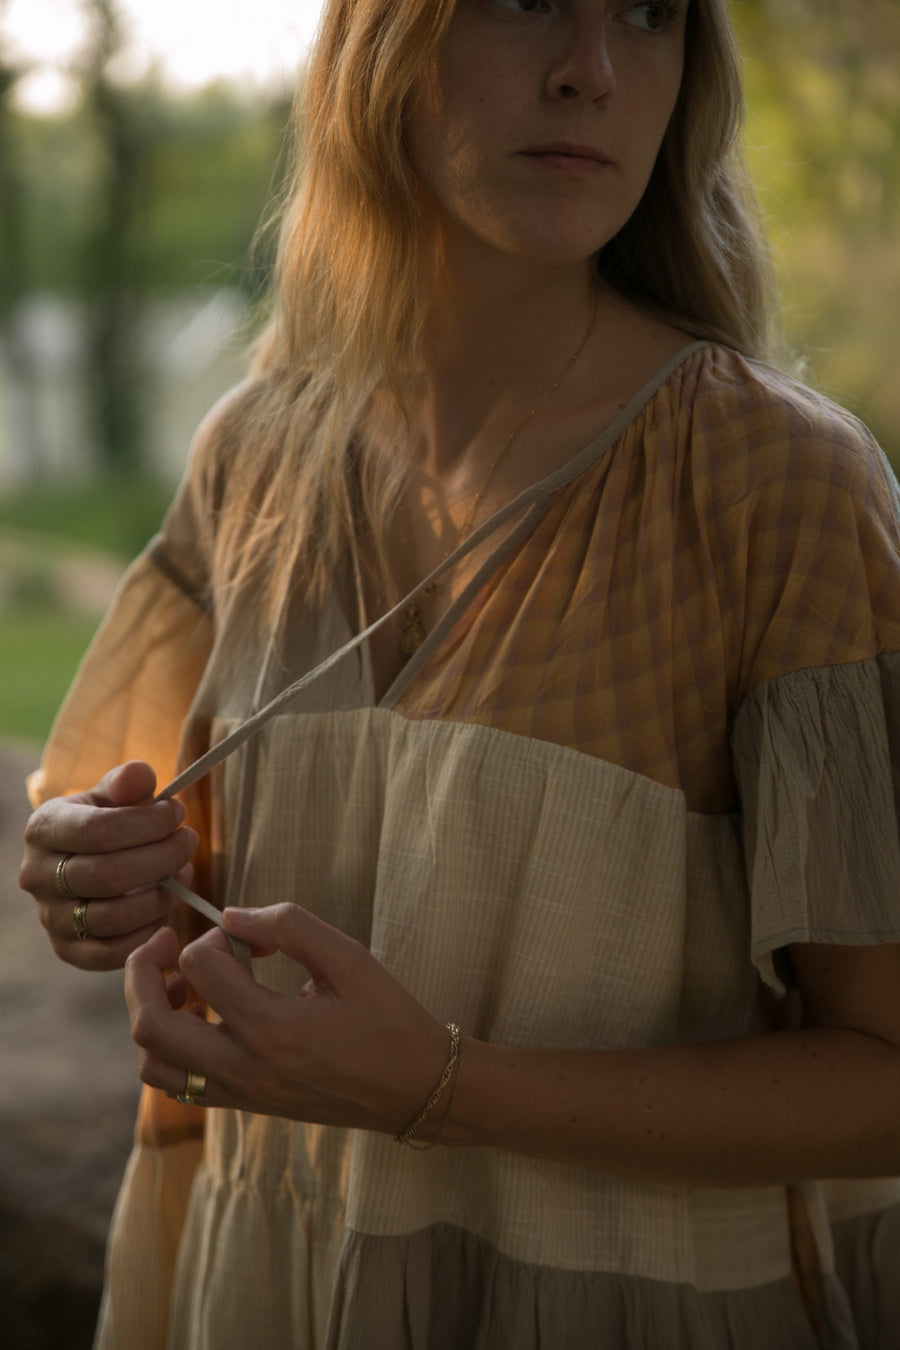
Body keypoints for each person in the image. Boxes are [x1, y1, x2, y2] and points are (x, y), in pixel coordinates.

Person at [18, 0, 900, 1346]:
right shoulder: (256, 455)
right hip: (271, 1284)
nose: (591, 71)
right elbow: (115, 844)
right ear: (379, 46)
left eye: (650, 14)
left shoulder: (773, 483)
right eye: (525, 1)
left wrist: (439, 1083)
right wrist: (98, 874)